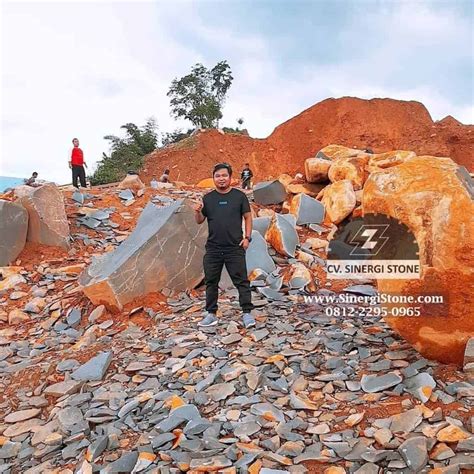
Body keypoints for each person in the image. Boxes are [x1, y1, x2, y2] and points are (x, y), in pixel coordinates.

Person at [193, 162, 255, 328]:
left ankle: (247, 313)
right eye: (218, 176)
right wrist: (197, 210)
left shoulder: (239, 196)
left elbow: (248, 217)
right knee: (211, 282)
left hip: (235, 247)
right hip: (213, 248)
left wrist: (247, 237)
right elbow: (199, 221)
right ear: (213, 178)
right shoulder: (208, 198)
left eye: (224, 175)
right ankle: (211, 314)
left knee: (241, 281)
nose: (221, 179)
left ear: (230, 178)